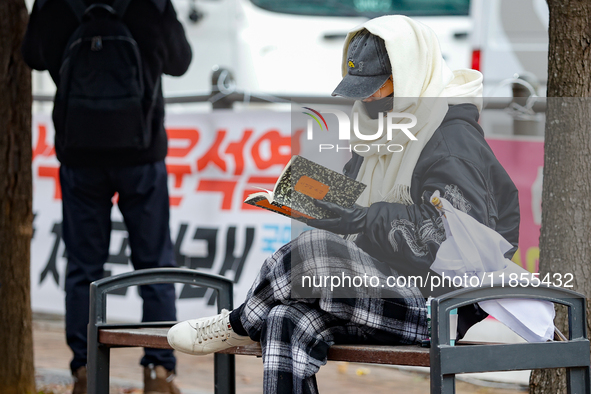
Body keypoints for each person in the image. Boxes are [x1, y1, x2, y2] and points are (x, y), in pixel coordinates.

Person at [167, 15, 520, 394]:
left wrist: (364, 219)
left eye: (376, 88)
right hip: (378, 287)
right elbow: (363, 210)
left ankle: (237, 324)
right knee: (285, 319)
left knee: (313, 251)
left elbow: (450, 239)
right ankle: (254, 319)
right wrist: (323, 203)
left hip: (437, 306)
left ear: (410, 73)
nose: (366, 98)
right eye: (359, 88)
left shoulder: (453, 141)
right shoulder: (380, 125)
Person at [22, 0, 192, 393]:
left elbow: (32, 55)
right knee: (154, 264)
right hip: (142, 155)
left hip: (79, 156)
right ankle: (158, 371)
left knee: (84, 268)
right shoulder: (151, 3)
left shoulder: (56, 4)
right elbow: (180, 61)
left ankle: (85, 370)